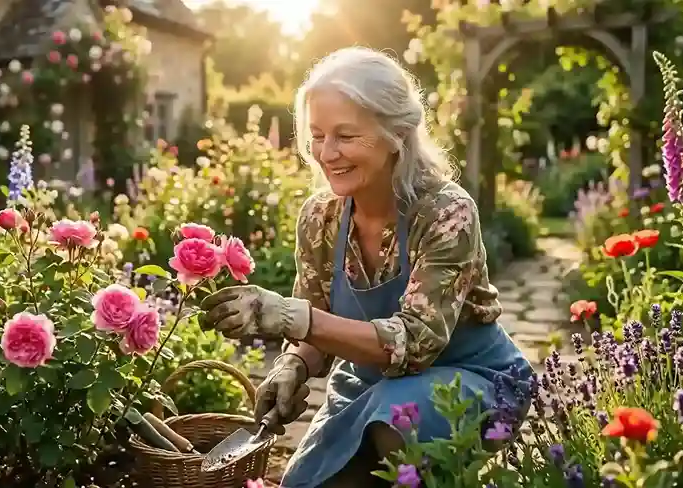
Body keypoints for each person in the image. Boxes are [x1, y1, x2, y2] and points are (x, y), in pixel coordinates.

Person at [199, 47, 533, 488]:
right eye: (317, 135)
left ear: (397, 133)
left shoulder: (446, 213)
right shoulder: (320, 218)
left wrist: (289, 317)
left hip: (474, 381)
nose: (327, 153)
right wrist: (293, 367)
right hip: (368, 385)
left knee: (395, 422)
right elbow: (313, 321)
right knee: (306, 482)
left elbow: (412, 343)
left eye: (346, 135)